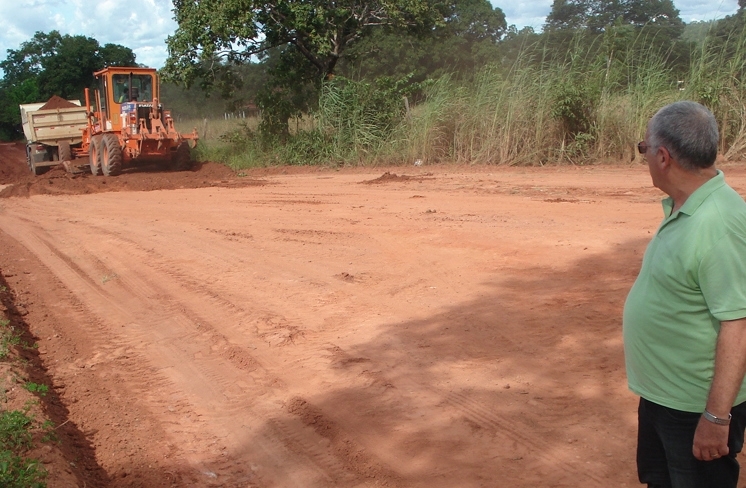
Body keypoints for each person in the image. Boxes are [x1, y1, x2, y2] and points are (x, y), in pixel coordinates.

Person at [623, 100, 746, 488]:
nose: (644, 159)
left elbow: (738, 325)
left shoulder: (719, 223)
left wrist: (715, 418)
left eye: (643, 150)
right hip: (663, 396)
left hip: (695, 408)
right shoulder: (688, 205)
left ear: (663, 156)